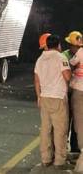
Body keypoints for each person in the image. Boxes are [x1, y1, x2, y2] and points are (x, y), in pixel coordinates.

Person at [34, 34, 71, 168]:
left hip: (44, 98)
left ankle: (46, 158)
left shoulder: (40, 59)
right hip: (58, 98)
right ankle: (60, 161)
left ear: (47, 45)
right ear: (58, 45)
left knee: (45, 130)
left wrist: (39, 97)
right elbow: (67, 77)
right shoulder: (61, 58)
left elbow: (36, 80)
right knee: (60, 130)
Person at [63, 31, 82, 154]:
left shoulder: (79, 54)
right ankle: (64, 146)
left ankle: (75, 147)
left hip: (76, 91)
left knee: (77, 120)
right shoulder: (64, 55)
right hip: (68, 91)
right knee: (67, 120)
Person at [69, 33, 83, 172]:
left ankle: (80, 153)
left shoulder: (80, 53)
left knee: (79, 124)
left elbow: (70, 66)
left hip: (79, 90)